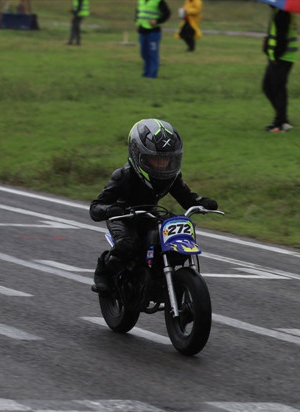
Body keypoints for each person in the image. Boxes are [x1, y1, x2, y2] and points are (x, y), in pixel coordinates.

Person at [90, 119, 218, 294]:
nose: (162, 164)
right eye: (155, 159)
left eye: (167, 159)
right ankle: (104, 271)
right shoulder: (123, 176)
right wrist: (110, 210)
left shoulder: (171, 177)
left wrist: (201, 202)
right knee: (128, 244)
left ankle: (161, 273)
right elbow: (96, 207)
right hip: (123, 217)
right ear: (137, 155)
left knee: (176, 227)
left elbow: (187, 198)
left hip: (150, 215)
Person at [262, 7, 297, 133]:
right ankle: (282, 120)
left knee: (276, 89)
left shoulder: (283, 13)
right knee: (269, 87)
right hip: (278, 57)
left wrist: (276, 56)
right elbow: (275, 34)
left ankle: (280, 123)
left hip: (282, 58)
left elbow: (281, 38)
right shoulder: (279, 12)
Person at [135, 0, 170, 78]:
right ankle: (146, 73)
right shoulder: (141, 1)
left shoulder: (158, 1)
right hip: (142, 31)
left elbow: (167, 13)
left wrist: (157, 21)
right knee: (144, 53)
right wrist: (137, 21)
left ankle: (152, 74)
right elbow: (138, 12)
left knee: (152, 54)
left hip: (153, 32)